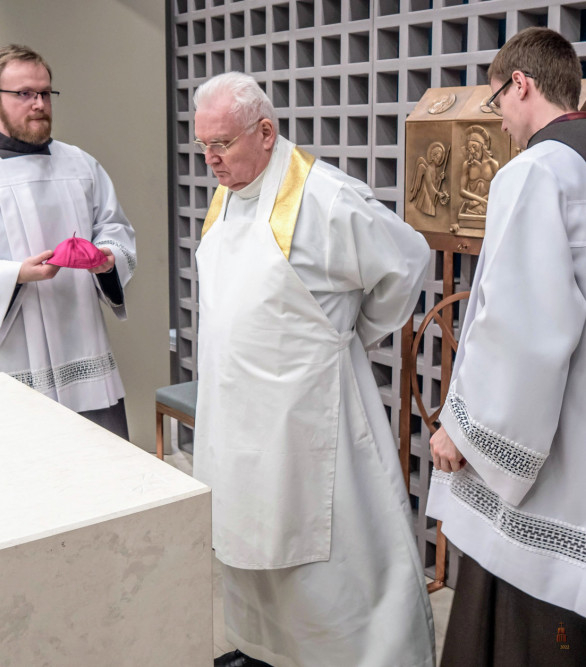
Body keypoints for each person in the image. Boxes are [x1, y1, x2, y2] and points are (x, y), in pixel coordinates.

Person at [192, 72, 435, 667]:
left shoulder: (324, 196)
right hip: (234, 412)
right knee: (246, 542)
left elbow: (405, 261)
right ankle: (263, 651)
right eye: (203, 145)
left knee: (326, 557)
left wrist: (344, 332)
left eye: (221, 143)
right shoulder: (228, 194)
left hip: (309, 415)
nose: (211, 159)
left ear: (265, 132)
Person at [427, 27, 586, 665]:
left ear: (521, 85)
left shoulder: (537, 170)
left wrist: (462, 431)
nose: (499, 122)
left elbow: (520, 328)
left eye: (496, 103)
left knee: (523, 608)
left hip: (553, 435)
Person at [0, 45, 135, 439]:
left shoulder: (80, 164)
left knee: (99, 460)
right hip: (9, 355)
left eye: (44, 93)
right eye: (24, 94)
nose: (38, 104)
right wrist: (16, 274)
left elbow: (114, 229)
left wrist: (107, 258)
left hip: (81, 342)